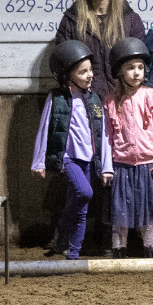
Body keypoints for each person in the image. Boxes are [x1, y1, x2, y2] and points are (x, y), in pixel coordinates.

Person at [32, 38, 111, 261]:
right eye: (82, 72)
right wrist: (39, 161)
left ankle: (72, 253)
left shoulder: (94, 99)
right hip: (68, 158)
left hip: (88, 159)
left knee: (81, 207)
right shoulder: (57, 98)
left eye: (90, 70)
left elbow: (102, 133)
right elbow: (45, 127)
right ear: (67, 74)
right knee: (85, 193)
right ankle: (61, 235)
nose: (89, 75)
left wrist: (106, 166)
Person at [103, 34, 153, 258]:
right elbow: (106, 135)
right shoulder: (111, 101)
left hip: (147, 165)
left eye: (140, 67)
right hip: (120, 165)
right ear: (119, 71)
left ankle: (150, 248)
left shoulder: (152, 97)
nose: (136, 73)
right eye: (130, 67)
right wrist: (107, 165)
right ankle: (118, 248)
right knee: (119, 211)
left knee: (149, 210)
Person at [52, 0, 148, 103]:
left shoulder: (130, 19)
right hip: (85, 101)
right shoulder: (72, 20)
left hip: (123, 101)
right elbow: (61, 64)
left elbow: (142, 63)